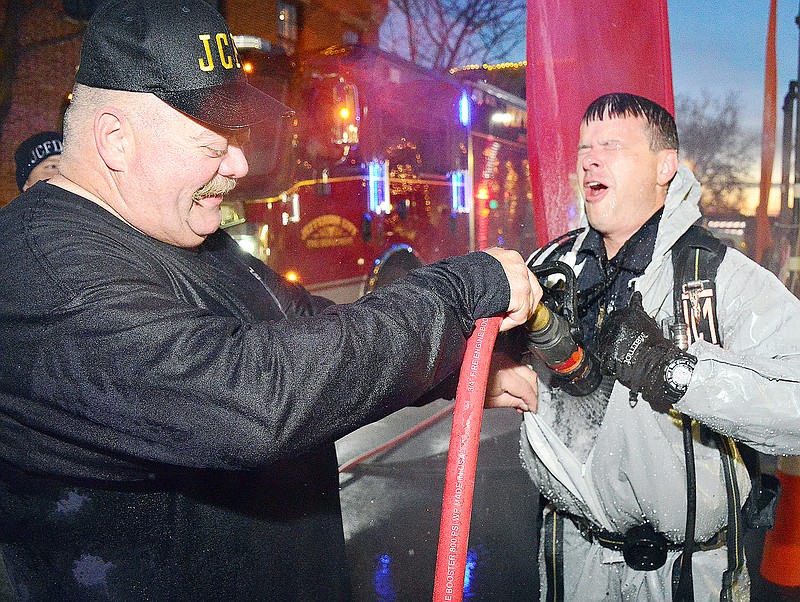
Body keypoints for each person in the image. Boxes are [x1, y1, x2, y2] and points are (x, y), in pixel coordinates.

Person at [0, 1, 542, 600]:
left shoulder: (177, 235)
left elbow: (307, 328)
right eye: (212, 144)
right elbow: (255, 400)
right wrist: (459, 291)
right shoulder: (45, 270)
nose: (237, 164)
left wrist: (446, 365)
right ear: (115, 139)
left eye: (236, 137)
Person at [510, 93, 800, 602]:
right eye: (584, 147)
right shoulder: (550, 269)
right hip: (574, 560)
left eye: (611, 145)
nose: (588, 159)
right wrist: (503, 374)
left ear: (666, 166)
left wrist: (676, 373)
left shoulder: (718, 278)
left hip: (687, 575)